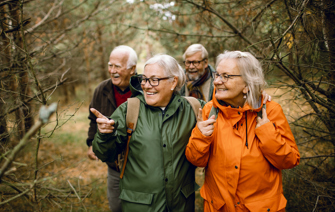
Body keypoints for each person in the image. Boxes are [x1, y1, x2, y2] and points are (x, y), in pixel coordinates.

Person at [185, 51, 300, 212]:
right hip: (219, 207)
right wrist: (201, 136)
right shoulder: (209, 111)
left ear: (247, 84)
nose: (217, 81)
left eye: (226, 76)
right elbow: (196, 160)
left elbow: (290, 160)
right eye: (217, 75)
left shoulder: (270, 112)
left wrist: (267, 133)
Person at [91, 54, 206, 212]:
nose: (146, 85)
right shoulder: (129, 109)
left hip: (181, 204)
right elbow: (105, 155)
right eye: (144, 79)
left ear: (173, 82)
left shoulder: (194, 108)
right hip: (140, 205)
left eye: (154, 80)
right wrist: (104, 135)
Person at [87, 45, 137, 212]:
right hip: (114, 164)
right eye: (110, 65)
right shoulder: (102, 90)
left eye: (118, 66)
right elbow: (93, 120)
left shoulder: (145, 90)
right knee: (116, 207)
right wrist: (90, 143)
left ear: (132, 69)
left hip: (139, 165)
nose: (112, 70)